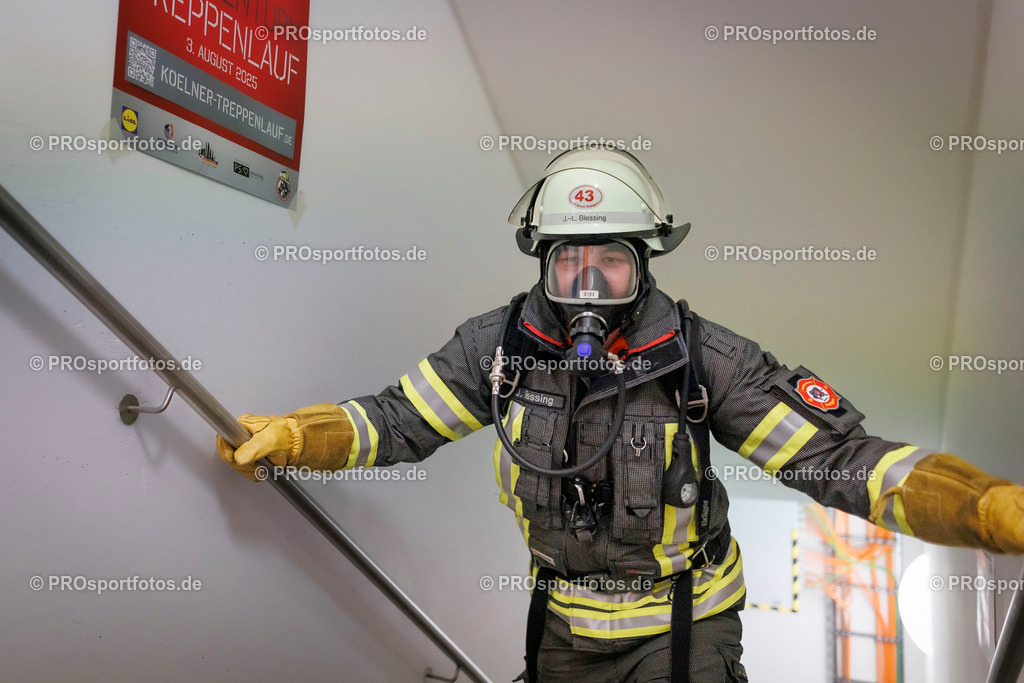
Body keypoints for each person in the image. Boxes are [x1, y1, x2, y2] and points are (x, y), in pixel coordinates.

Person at [217, 149, 1024, 682]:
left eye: (613, 260)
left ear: (646, 261)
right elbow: (396, 420)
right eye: (572, 261)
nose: (590, 286)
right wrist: (296, 439)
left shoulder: (703, 358)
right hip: (563, 628)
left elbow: (844, 462)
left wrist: (980, 506)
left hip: (687, 626)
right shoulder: (496, 350)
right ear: (544, 261)